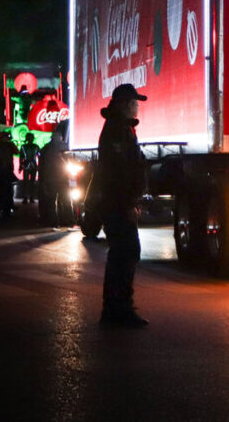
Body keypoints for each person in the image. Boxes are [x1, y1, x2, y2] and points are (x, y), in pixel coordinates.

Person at [96, 84, 148, 327]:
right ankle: (118, 309)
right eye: (133, 103)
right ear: (122, 104)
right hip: (117, 205)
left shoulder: (122, 129)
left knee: (124, 253)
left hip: (118, 203)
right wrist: (128, 203)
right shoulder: (117, 131)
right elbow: (119, 174)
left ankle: (116, 308)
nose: (136, 106)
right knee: (125, 253)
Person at [19, 134, 40, 203]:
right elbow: (21, 157)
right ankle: (29, 197)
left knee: (28, 182)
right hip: (30, 165)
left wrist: (20, 166)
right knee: (30, 182)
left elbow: (21, 157)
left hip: (27, 165)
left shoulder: (24, 147)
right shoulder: (35, 146)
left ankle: (28, 197)